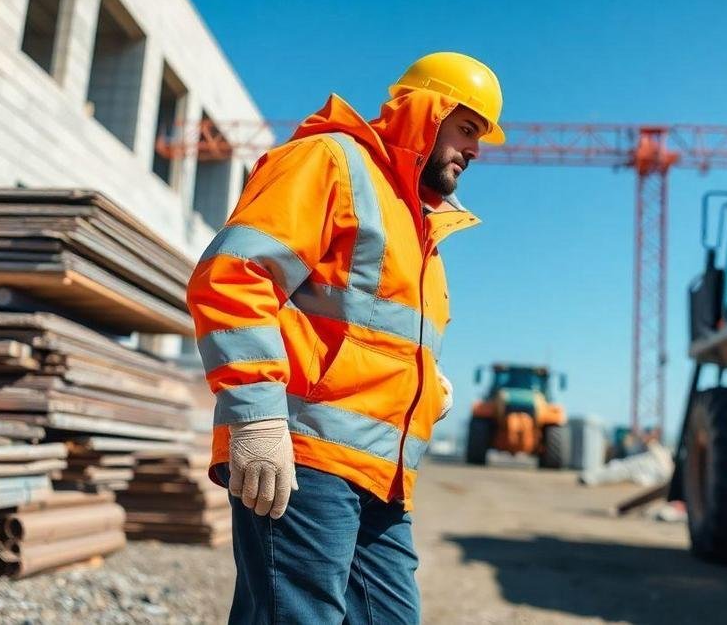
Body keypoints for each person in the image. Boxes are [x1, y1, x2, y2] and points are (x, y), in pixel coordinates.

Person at [187, 52, 504, 624]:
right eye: (467, 128)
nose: (475, 150)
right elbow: (234, 277)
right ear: (425, 113)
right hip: (306, 456)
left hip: (382, 478)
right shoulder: (330, 162)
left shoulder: (416, 221)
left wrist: (426, 381)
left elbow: (362, 327)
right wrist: (257, 416)